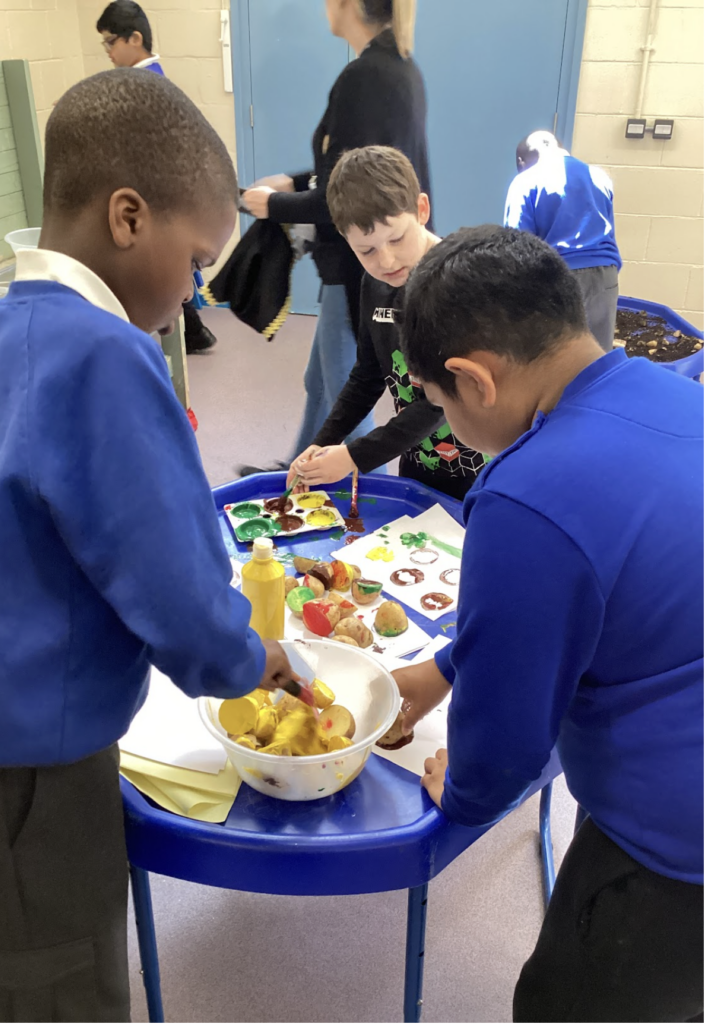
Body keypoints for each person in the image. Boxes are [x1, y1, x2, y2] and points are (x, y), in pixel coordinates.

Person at [0, 70, 298, 1024]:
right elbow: (175, 586)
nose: (193, 292)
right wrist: (249, 655)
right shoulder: (108, 355)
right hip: (31, 773)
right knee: (50, 991)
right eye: (197, 265)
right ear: (129, 217)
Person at [393, 225, 703, 1022]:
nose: (440, 425)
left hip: (673, 841)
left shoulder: (524, 495)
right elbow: (593, 591)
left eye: (435, 404)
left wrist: (459, 790)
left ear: (473, 380)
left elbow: (502, 746)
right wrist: (438, 672)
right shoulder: (672, 389)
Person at [240, 0, 431, 476]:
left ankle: (360, 496)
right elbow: (353, 172)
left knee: (353, 395)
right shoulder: (398, 67)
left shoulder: (367, 75)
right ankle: (299, 471)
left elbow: (349, 199)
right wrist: (295, 179)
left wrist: (274, 206)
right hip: (355, 263)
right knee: (323, 381)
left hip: (356, 264)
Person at [287, 146, 485, 500]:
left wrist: (354, 456)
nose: (387, 260)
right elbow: (367, 375)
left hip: (481, 470)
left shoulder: (458, 286)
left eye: (396, 238)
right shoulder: (375, 284)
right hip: (418, 460)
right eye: (367, 250)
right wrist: (322, 441)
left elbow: (440, 400)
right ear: (346, 239)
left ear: (421, 210)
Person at [97, 0, 218, 353]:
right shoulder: (150, 81)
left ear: (135, 39)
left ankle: (177, 338)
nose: (108, 52)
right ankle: (191, 332)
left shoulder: (144, 87)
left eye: (111, 42)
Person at [504, 129, 622, 352]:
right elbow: (610, 233)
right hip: (606, 274)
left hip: (557, 278)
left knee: (553, 361)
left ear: (521, 161)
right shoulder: (599, 176)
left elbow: (517, 247)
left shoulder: (525, 181)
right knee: (599, 360)